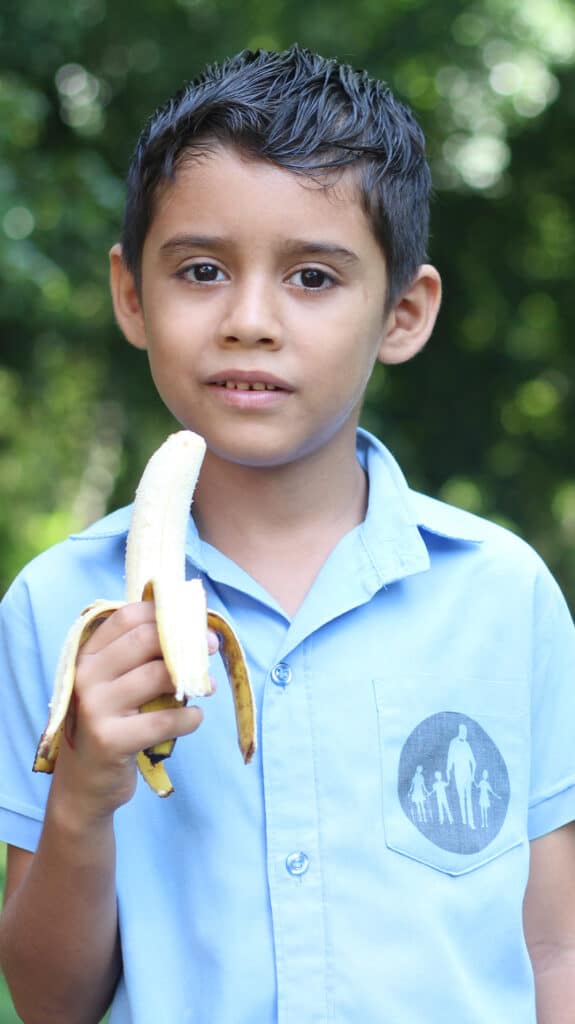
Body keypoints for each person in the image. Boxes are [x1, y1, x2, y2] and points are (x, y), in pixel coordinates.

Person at [0, 44, 574, 1024]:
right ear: (131, 294)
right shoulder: (60, 609)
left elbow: (552, 947)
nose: (249, 320)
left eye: (311, 277)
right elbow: (51, 1003)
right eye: (201, 270)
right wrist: (84, 794)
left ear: (401, 312)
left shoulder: (501, 594)